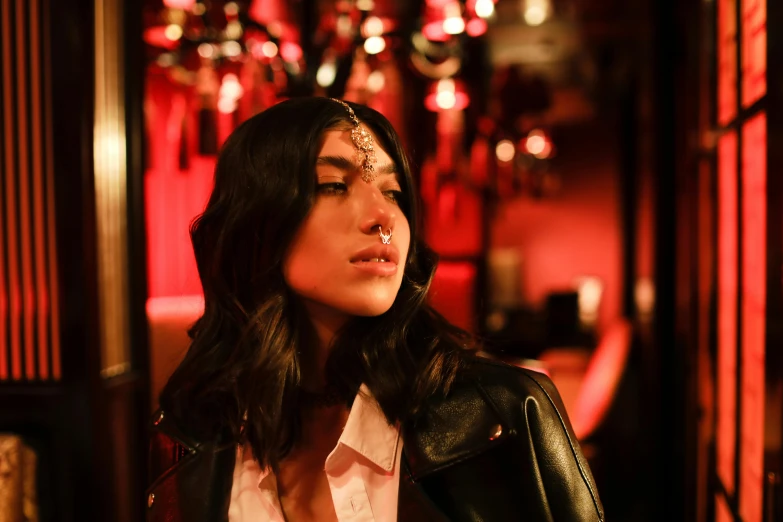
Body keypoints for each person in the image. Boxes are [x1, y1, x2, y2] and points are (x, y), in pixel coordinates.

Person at [146, 97, 604, 522]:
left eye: (393, 192)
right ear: (257, 222)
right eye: (332, 185)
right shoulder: (191, 433)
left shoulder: (501, 414)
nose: (381, 217)